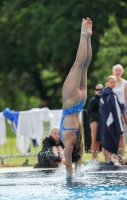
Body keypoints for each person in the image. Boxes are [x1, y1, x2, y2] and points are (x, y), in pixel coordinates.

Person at [59, 17, 92, 179]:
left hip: (80, 103)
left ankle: (88, 38)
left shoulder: (79, 142)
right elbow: (68, 163)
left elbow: (77, 167)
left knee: (84, 67)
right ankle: (84, 35)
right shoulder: (70, 143)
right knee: (77, 66)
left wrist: (75, 175)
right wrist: (69, 179)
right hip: (70, 104)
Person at [97, 75, 123, 163]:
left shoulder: (105, 93)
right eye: (111, 82)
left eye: (114, 82)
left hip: (105, 121)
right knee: (109, 139)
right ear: (107, 83)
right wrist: (118, 126)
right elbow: (113, 110)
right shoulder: (109, 94)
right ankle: (108, 160)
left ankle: (107, 160)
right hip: (109, 121)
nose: (113, 84)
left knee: (106, 139)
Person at [112, 64, 127, 163]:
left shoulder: (125, 83)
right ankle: (115, 155)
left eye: (119, 70)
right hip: (112, 110)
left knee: (121, 134)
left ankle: (122, 156)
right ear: (113, 71)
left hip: (122, 109)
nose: (117, 72)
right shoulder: (110, 82)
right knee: (113, 133)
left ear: (122, 72)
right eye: (116, 70)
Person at [87, 83, 104, 160]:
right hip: (95, 121)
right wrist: (99, 117)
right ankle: (94, 159)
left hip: (102, 122)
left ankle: (96, 159)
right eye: (97, 89)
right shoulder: (93, 100)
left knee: (99, 141)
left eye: (101, 89)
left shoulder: (104, 99)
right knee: (94, 141)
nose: (99, 91)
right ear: (95, 91)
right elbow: (89, 112)